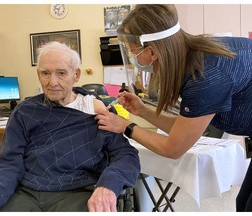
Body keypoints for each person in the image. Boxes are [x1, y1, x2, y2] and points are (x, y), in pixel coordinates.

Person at [95, 4, 252, 212]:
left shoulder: (204, 75)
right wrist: (142, 111)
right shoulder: (194, 56)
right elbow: (181, 129)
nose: (134, 57)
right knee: (243, 204)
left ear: (152, 52)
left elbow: (173, 148)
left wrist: (126, 126)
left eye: (134, 52)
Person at [0, 41, 140, 212]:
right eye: (45, 73)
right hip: (26, 192)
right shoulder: (25, 111)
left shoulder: (98, 111)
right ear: (38, 75)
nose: (53, 82)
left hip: (78, 192)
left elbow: (126, 155)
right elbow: (8, 164)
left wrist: (109, 185)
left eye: (61, 73)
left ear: (76, 74)